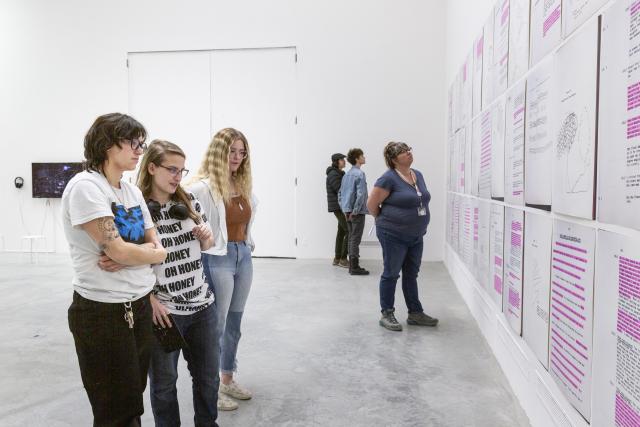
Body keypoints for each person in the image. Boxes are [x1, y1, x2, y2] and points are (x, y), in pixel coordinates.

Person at [62, 113, 167, 426]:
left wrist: (135, 253)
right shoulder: (86, 188)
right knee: (114, 412)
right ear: (108, 144)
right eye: (132, 142)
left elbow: (158, 247)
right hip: (101, 313)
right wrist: (139, 252)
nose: (139, 149)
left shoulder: (131, 191)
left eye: (141, 143)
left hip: (137, 306)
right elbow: (118, 249)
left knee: (132, 402)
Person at [137, 140, 220, 426]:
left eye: (181, 171)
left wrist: (206, 234)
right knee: (163, 386)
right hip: (164, 313)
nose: (177, 176)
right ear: (151, 167)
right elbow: (128, 265)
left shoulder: (187, 201)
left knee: (208, 378)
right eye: (171, 169)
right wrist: (149, 300)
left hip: (203, 306)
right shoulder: (138, 210)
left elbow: (208, 245)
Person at [188, 128, 257, 411]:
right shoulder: (201, 188)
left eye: (242, 152)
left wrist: (247, 247)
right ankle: (211, 388)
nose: (238, 157)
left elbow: (245, 223)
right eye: (232, 151)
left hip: (243, 256)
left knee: (235, 324)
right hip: (218, 258)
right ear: (219, 153)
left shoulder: (242, 183)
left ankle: (227, 378)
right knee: (215, 326)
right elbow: (188, 228)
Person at [367, 142, 439, 331]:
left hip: (416, 235)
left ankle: (415, 313)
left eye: (408, 149)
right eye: (402, 151)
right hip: (393, 234)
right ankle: (387, 313)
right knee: (391, 273)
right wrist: (386, 221)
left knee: (411, 274)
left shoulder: (418, 174)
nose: (408, 153)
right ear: (393, 159)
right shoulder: (388, 179)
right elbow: (371, 205)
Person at [339, 148, 370, 275]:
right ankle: (354, 267)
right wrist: (356, 210)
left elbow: (340, 194)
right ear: (357, 159)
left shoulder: (346, 175)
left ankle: (352, 266)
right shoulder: (360, 174)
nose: (364, 157)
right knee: (355, 239)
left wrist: (345, 209)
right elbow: (361, 194)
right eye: (362, 156)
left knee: (352, 238)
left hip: (347, 211)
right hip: (357, 212)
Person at [326, 153, 349, 268]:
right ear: (336, 161)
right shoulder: (334, 174)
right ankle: (343, 259)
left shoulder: (340, 173)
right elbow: (340, 190)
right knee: (349, 230)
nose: (344, 161)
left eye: (344, 159)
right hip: (338, 206)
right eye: (342, 160)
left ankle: (337, 258)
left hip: (340, 206)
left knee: (341, 231)